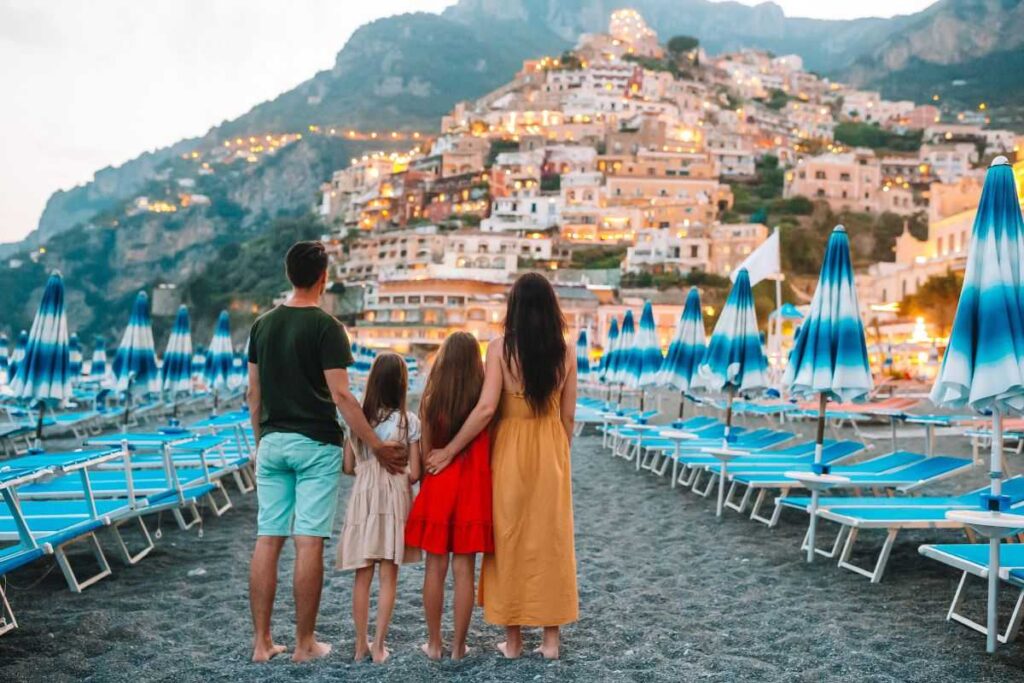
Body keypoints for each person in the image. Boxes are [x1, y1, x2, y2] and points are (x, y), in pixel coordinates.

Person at [246, 240, 407, 663]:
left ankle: (262, 644)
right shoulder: (327, 327)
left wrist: (260, 443)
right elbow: (342, 396)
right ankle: (303, 645)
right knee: (308, 542)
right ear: (323, 278)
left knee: (268, 538)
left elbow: (253, 395)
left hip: (272, 442)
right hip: (316, 443)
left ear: (288, 275)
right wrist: (377, 446)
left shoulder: (261, 326)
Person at [426, 273, 578, 660]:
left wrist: (450, 449)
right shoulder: (566, 352)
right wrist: (558, 451)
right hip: (550, 447)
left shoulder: (500, 348)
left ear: (515, 306)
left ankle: (513, 640)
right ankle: (550, 639)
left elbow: (487, 408)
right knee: (551, 540)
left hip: (509, 446)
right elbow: (569, 416)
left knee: (508, 539)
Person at [405, 332, 493, 661]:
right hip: (472, 489)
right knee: (465, 571)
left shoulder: (432, 399)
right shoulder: (483, 399)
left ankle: (434, 644)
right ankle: (458, 647)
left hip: (439, 486)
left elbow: (428, 453)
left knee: (434, 570)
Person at [336, 353, 421, 664]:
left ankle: (360, 645)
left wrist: (366, 465)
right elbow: (414, 474)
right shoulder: (408, 421)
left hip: (364, 498)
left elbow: (346, 466)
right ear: (400, 384)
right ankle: (380, 646)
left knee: (363, 574)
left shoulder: (359, 421)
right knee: (389, 575)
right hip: (395, 499)